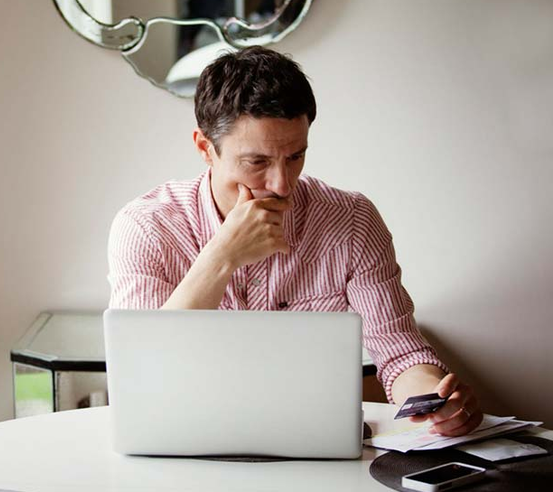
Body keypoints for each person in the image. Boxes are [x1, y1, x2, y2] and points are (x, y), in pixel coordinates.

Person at [107, 46, 481, 437]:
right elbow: (139, 374)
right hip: (181, 443)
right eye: (257, 163)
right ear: (205, 148)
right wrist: (221, 257)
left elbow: (400, 351)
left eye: (295, 157)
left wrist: (434, 399)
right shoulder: (147, 227)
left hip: (316, 446)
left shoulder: (351, 221)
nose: (282, 185)